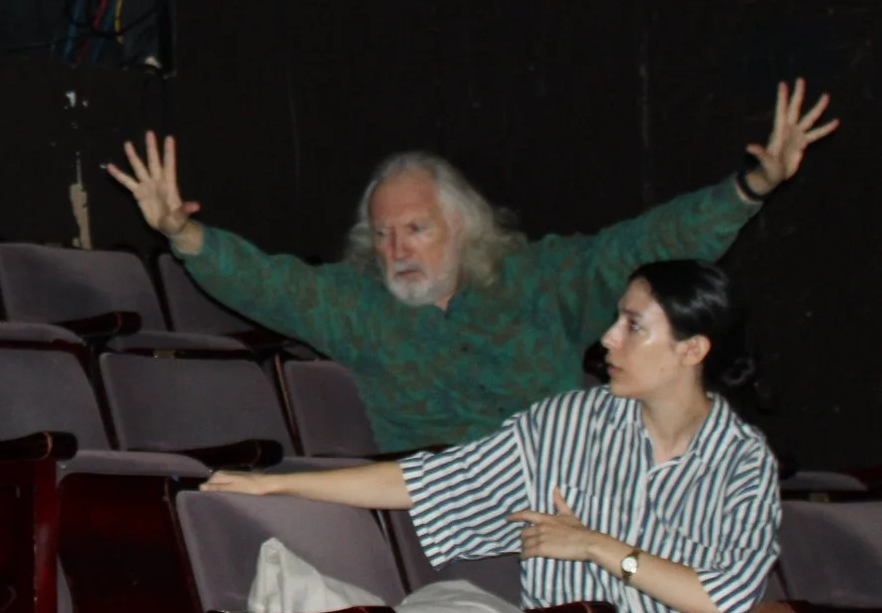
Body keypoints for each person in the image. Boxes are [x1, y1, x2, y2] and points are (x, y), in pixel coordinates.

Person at [203, 260, 806, 613]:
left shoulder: (742, 459)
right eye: (616, 320)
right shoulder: (567, 425)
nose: (608, 339)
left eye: (633, 326)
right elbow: (428, 481)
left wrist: (597, 547)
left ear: (692, 350)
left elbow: (724, 602)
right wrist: (276, 482)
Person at [107, 83, 838, 450]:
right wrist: (183, 233)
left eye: (416, 229)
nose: (397, 249)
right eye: (384, 233)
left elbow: (646, 245)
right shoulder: (357, 305)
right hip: (447, 511)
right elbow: (267, 282)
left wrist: (750, 189)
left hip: (570, 491)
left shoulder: (541, 282)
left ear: (460, 226)